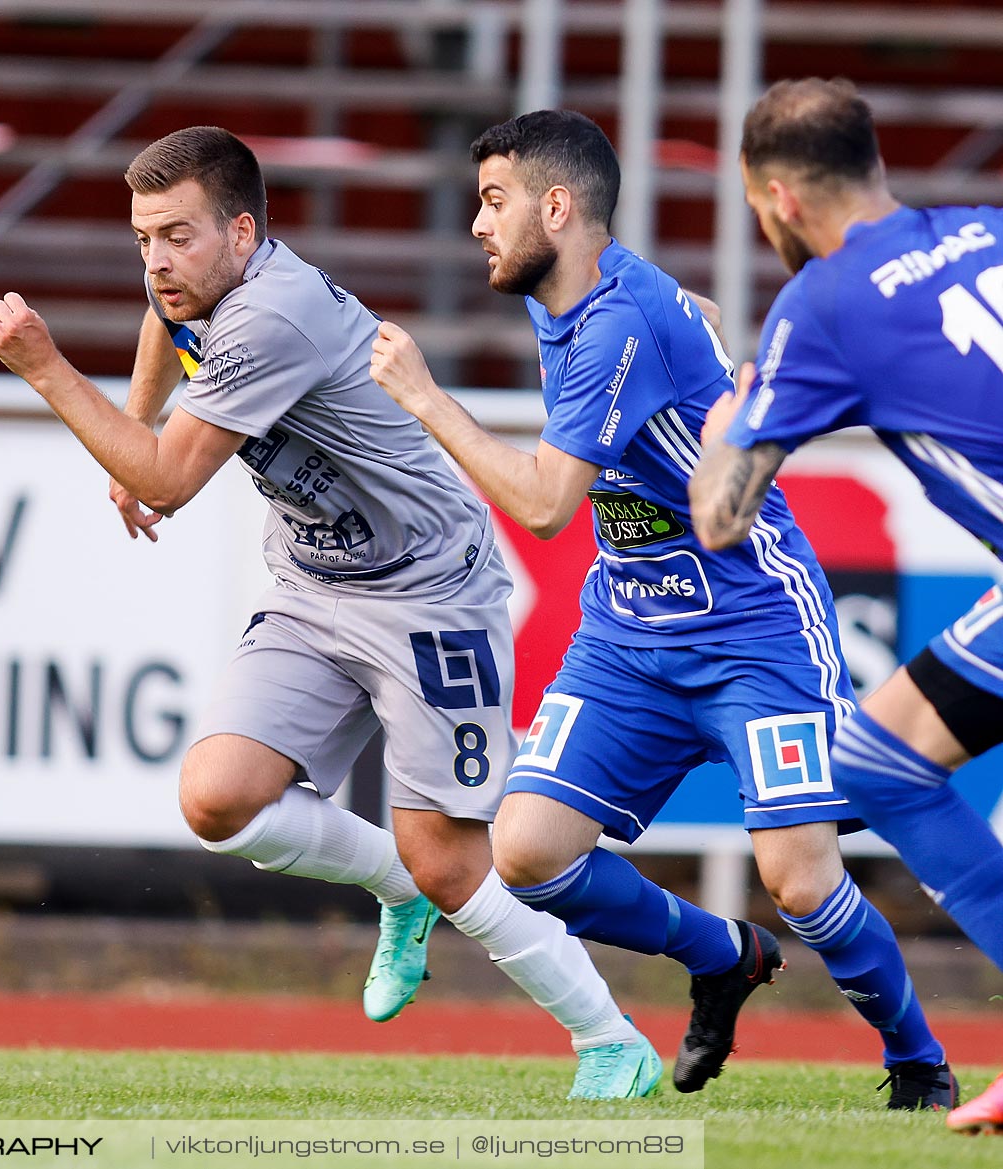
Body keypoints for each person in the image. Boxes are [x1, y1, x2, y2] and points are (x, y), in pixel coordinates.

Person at [0, 125, 658, 1098]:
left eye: (178, 236)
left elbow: (169, 480)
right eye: (143, 238)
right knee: (217, 796)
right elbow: (161, 333)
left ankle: (609, 1037)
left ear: (244, 233)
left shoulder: (271, 318)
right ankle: (396, 888)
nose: (158, 261)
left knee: (452, 860)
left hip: (430, 591)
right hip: (314, 583)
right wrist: (132, 419)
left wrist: (47, 369)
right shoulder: (191, 283)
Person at [367, 108, 954, 1108]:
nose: (477, 224)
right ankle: (723, 954)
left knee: (803, 881)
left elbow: (549, 505)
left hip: (752, 625)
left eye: (494, 201)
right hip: (629, 631)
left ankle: (918, 1061)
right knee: (528, 853)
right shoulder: (590, 288)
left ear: (559, 207)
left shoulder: (616, 321)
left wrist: (424, 397)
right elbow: (682, 333)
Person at [690, 76, 1002, 1132]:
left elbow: (722, 515)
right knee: (878, 756)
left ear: (775, 197)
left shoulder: (822, 302)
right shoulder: (983, 227)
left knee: (882, 767)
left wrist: (733, 394)